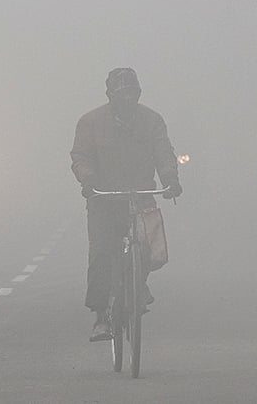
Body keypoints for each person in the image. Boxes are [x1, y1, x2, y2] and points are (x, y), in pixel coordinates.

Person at [70, 67, 182, 342]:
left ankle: (138, 284)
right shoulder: (90, 122)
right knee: (101, 253)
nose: (128, 99)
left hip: (141, 194)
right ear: (110, 95)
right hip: (103, 198)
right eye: (122, 94)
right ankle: (100, 317)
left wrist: (170, 178)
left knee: (149, 244)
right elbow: (81, 156)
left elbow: (163, 151)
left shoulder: (152, 121)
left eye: (133, 93)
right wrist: (88, 181)